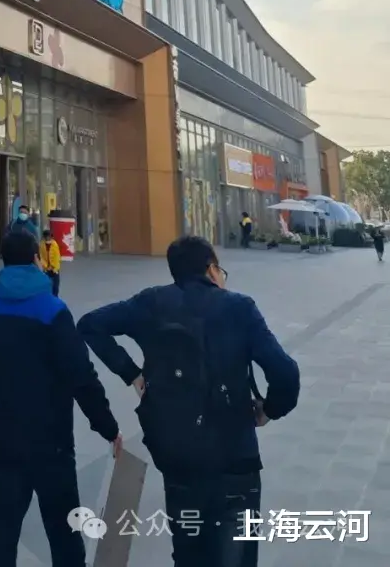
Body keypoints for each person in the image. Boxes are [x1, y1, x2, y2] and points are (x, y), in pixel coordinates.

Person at [78, 235, 300, 565]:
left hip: (178, 458)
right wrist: (268, 410)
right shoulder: (239, 307)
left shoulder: (151, 303)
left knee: (189, 555)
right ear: (211, 269)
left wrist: (132, 374)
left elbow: (90, 324)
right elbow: (286, 373)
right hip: (235, 459)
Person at [0, 228, 121, 567]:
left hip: (1, 430)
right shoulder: (52, 309)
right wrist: (107, 425)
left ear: (4, 261)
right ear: (37, 260)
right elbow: (81, 375)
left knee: (4, 525)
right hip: (49, 435)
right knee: (64, 527)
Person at [39, 228, 61, 297]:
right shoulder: (41, 245)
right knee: (46, 285)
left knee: (55, 286)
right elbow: (41, 256)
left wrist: (55, 268)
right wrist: (45, 266)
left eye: (49, 236)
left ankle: (55, 298)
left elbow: (57, 257)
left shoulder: (55, 245)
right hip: (46, 269)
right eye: (47, 236)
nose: (48, 238)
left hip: (54, 269)